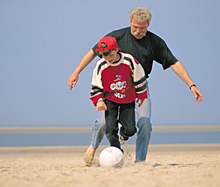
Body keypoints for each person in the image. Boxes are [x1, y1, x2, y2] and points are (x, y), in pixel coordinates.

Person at [68, 7, 203, 165]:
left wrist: (191, 85)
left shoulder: (155, 42)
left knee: (145, 123)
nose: (138, 31)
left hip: (139, 87)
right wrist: (76, 72)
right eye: (135, 27)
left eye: (142, 28)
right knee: (104, 123)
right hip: (112, 88)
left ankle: (140, 161)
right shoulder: (117, 37)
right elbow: (93, 52)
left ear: (148, 25)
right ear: (130, 22)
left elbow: (173, 62)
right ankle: (93, 146)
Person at [87, 36, 148, 165]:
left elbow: (139, 77)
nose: (107, 57)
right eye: (103, 54)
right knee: (110, 129)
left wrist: (141, 95)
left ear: (116, 49)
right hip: (110, 100)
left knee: (131, 129)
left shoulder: (128, 60)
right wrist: (98, 100)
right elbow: (96, 85)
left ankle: (122, 136)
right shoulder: (101, 65)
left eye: (109, 54)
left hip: (128, 99)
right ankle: (118, 155)